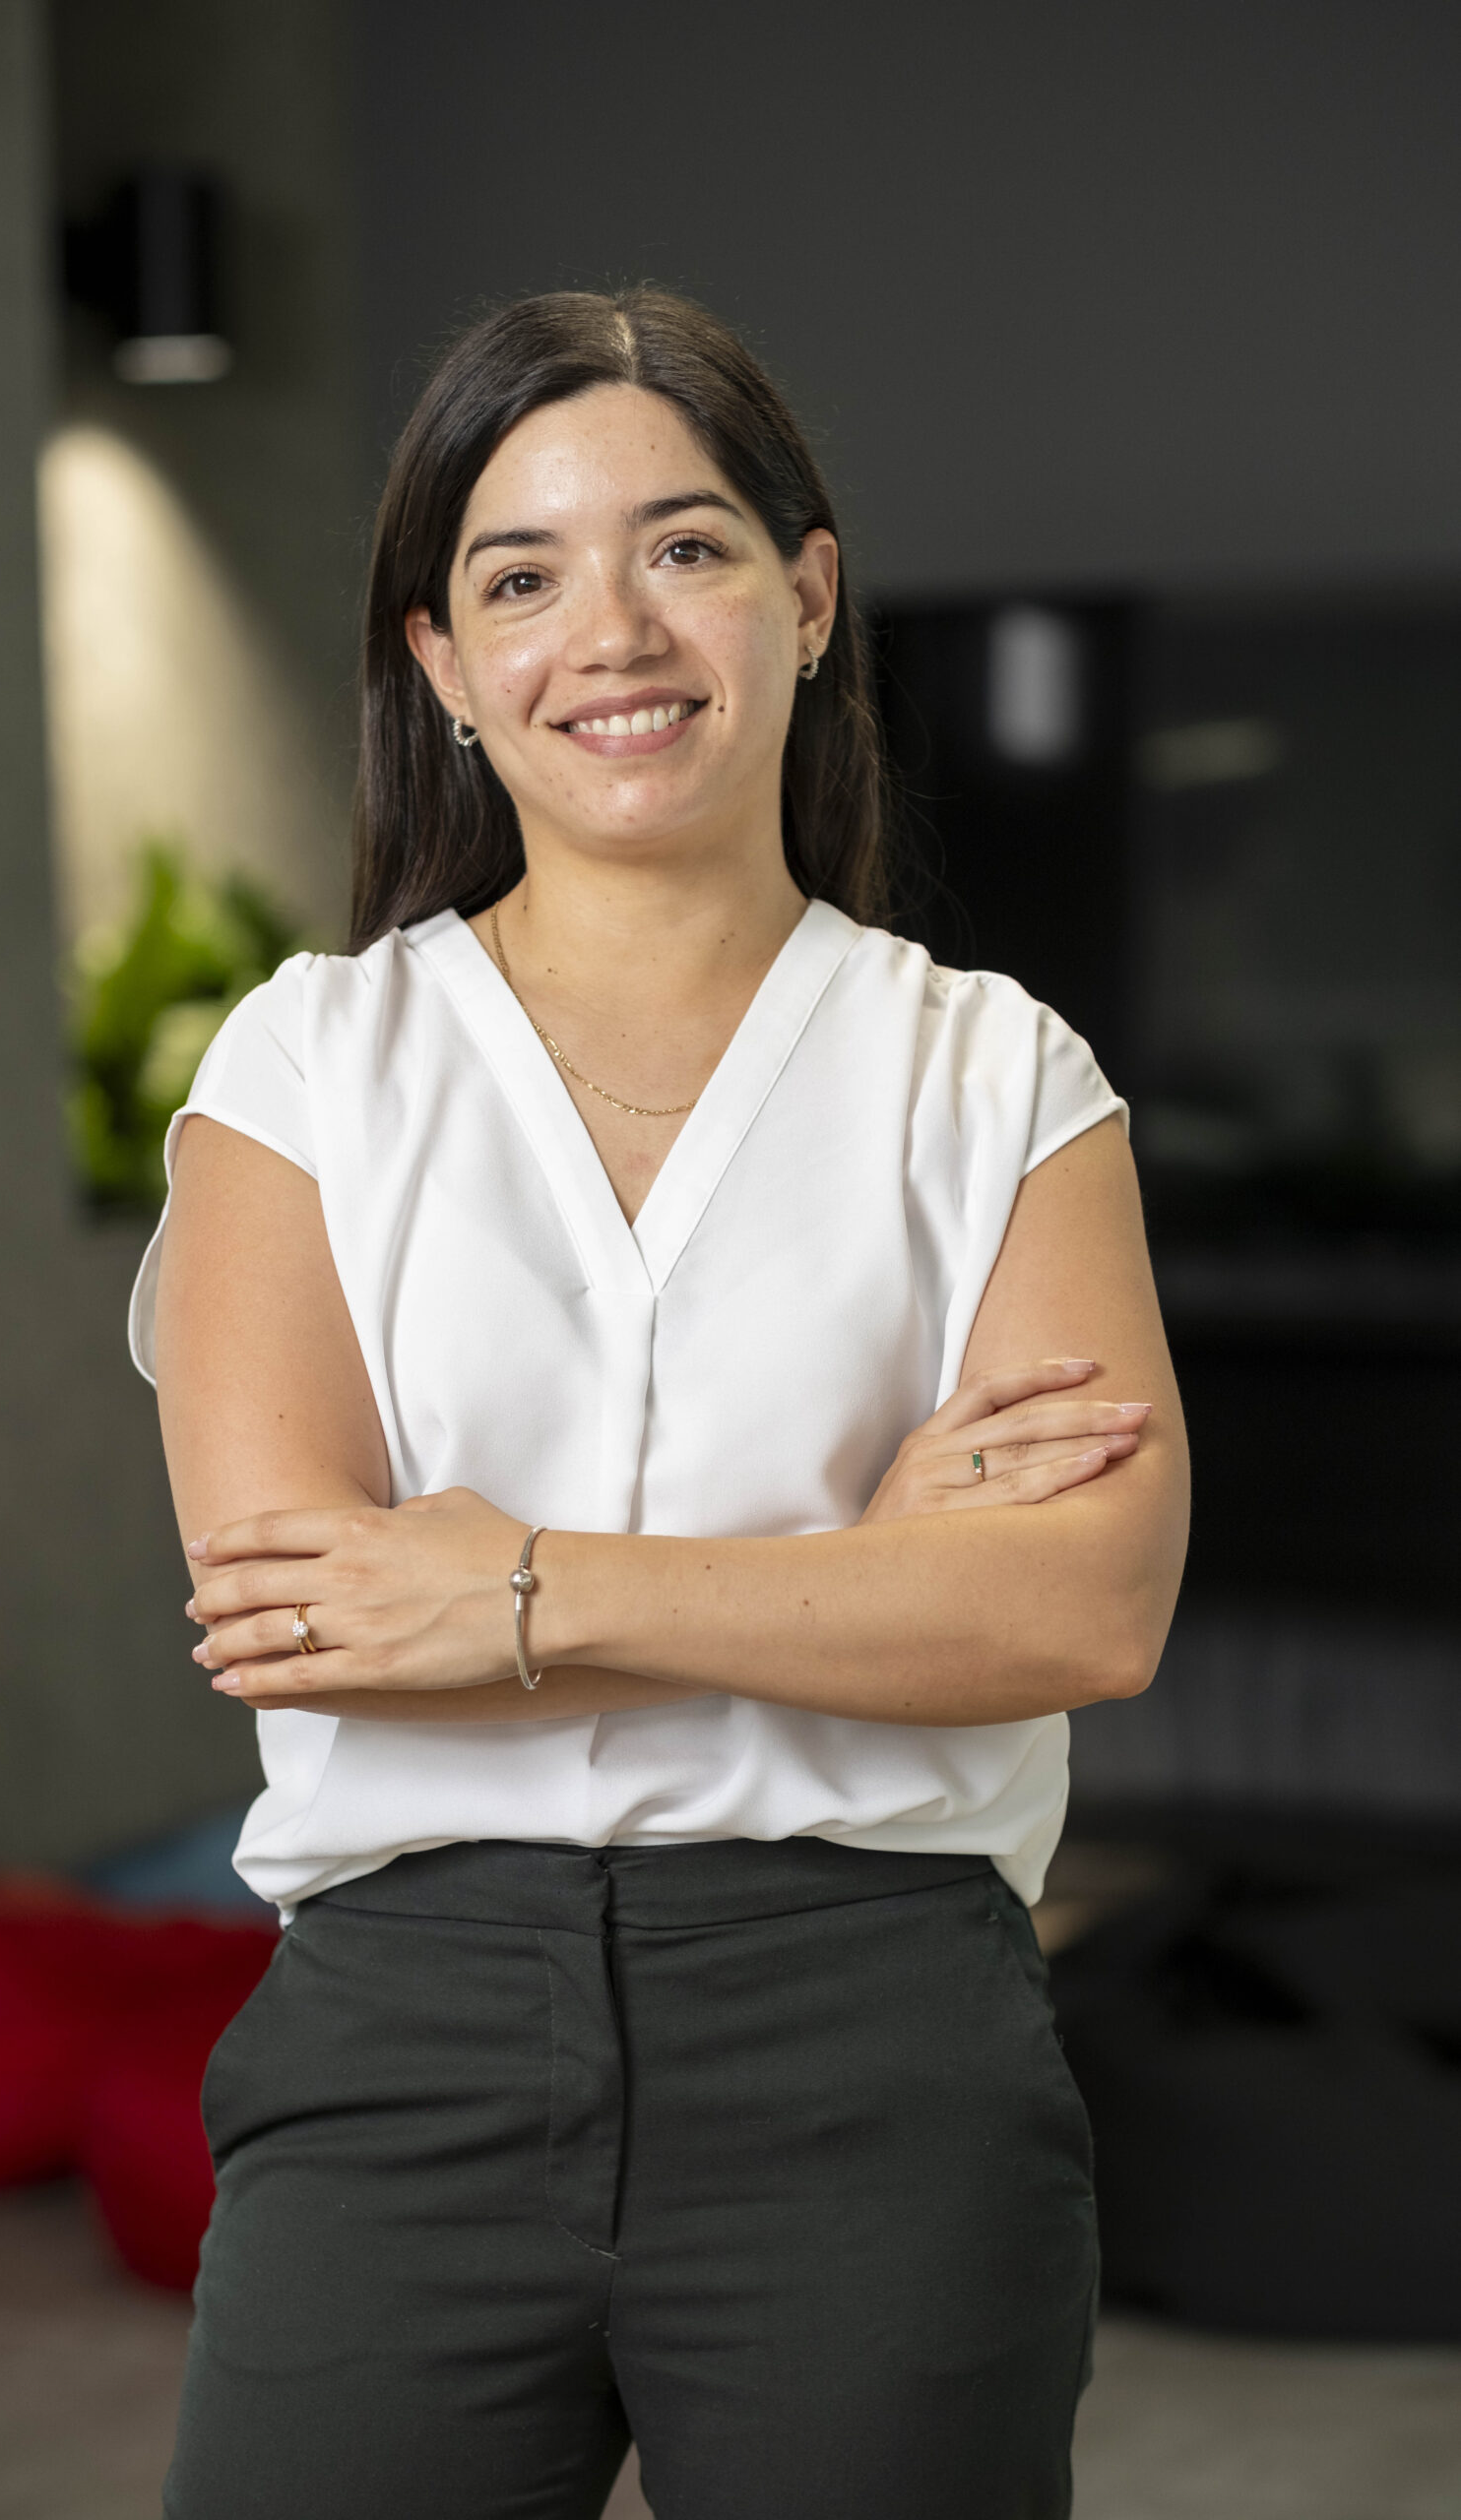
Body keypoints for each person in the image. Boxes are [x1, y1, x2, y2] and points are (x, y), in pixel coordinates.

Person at [132, 287, 1189, 2520]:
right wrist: (866, 1578)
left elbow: (1080, 1611)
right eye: (520, 576)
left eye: (684, 548)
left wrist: (512, 1589)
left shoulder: (993, 1074)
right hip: (401, 2040)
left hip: (872, 2040)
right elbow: (298, 1617)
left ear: (805, 598)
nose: (609, 633)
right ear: (441, 663)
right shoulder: (309, 1066)